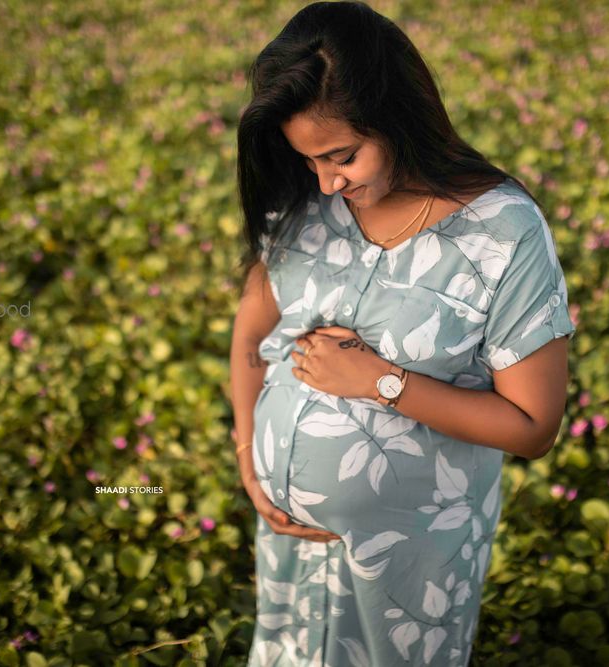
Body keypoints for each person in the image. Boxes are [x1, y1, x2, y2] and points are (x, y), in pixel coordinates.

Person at [229, 3, 576, 665]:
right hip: (290, 545)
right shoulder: (306, 194)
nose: (327, 182)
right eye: (309, 161)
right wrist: (250, 457)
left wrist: (379, 382)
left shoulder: (500, 233)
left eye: (342, 157)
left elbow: (533, 424)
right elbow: (252, 329)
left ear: (396, 119)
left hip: (411, 563)